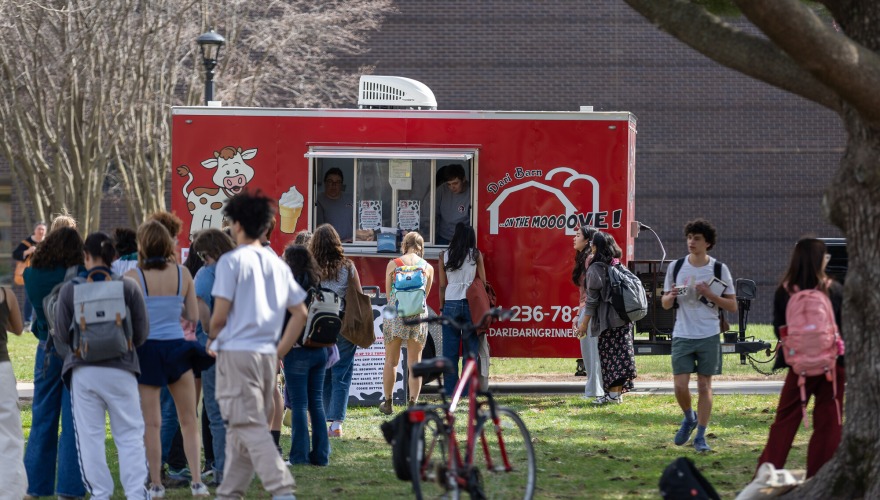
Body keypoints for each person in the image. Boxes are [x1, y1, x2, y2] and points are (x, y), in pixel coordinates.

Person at [207, 191, 307, 500]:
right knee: (241, 433)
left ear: (236, 225)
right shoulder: (277, 263)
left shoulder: (231, 262)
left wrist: (213, 336)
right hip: (266, 357)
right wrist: (279, 351)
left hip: (237, 355)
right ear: (265, 226)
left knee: (247, 426)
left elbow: (218, 317)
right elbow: (300, 313)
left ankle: (281, 489)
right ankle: (229, 493)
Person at [54, 232, 149, 500]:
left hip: (84, 370)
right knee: (130, 435)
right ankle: (136, 493)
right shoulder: (128, 287)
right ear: (113, 257)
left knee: (90, 438)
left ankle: (100, 493)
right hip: (122, 368)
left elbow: (61, 333)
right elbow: (142, 332)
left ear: (86, 256)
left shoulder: (70, 289)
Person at [126, 220, 208, 497]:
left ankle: (155, 483)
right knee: (188, 419)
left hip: (148, 350)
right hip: (177, 349)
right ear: (167, 244)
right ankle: (197, 481)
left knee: (152, 423)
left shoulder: (133, 277)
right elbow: (193, 317)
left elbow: (129, 320)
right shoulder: (183, 273)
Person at [756, 238, 844, 477]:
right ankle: (820, 475)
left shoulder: (784, 290)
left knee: (785, 420)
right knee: (829, 421)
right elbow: (842, 327)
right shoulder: (833, 289)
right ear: (820, 260)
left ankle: (766, 474)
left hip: (798, 367)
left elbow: (779, 329)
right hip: (831, 366)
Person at [21, 226, 86, 499]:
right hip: (76, 351)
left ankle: (34, 486)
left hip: (45, 349)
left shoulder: (32, 275)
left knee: (42, 418)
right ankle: (69, 488)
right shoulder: (80, 274)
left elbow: (37, 316)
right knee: (73, 421)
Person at [661, 219, 736, 453]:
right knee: (679, 385)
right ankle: (689, 417)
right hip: (682, 333)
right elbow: (664, 303)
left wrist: (710, 295)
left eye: (697, 238)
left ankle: (701, 436)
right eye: (689, 237)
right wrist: (671, 296)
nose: (691, 242)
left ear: (708, 243)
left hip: (709, 334)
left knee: (704, 385)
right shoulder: (676, 267)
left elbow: (732, 306)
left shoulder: (719, 269)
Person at [191, 228, 236, 485]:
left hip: (213, 349)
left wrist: (209, 333)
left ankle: (222, 471)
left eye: (202, 255)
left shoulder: (206, 275)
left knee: (216, 414)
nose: (202, 259)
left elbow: (203, 311)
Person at [281, 244, 330, 465]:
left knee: (299, 404)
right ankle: (321, 455)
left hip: (297, 351)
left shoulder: (289, 288)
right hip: (320, 349)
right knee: (316, 403)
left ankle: (299, 456)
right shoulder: (316, 285)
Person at [311, 223, 359, 437]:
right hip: (343, 324)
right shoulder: (348, 266)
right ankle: (336, 424)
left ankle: (321, 421)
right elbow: (358, 294)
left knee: (321, 372)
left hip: (318, 325)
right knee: (342, 373)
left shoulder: (311, 267)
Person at [380, 232, 435, 413]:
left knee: (391, 361)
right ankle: (413, 404)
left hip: (396, 315)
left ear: (404, 245)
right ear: (421, 247)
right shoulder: (427, 267)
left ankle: (388, 403)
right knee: (415, 363)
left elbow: (389, 295)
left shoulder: (393, 264)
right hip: (418, 316)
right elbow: (425, 296)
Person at [581, 231, 637, 406]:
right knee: (621, 358)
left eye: (592, 244)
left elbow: (591, 301)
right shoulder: (618, 265)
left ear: (596, 247)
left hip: (608, 322)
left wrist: (584, 324)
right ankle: (615, 395)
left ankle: (612, 396)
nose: (590, 247)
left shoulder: (595, 269)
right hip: (624, 319)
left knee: (610, 358)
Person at [436, 223, 480, 395]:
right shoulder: (476, 255)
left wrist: (442, 307)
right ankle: (467, 391)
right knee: (470, 351)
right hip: (470, 304)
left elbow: (442, 286)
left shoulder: (444, 256)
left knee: (450, 351)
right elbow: (483, 282)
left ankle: (450, 391)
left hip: (451, 303)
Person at [0, 283, 27, 499]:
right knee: (9, 435)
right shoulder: (5, 294)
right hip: (2, 370)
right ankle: (10, 493)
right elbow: (18, 329)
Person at [572, 225, 604, 399]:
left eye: (578, 235)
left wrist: (584, 318)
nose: (574, 238)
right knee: (589, 353)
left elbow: (592, 293)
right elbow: (582, 293)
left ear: (587, 241)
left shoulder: (589, 260)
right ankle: (595, 390)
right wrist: (578, 315)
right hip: (586, 310)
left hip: (592, 311)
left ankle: (594, 391)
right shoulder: (583, 259)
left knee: (592, 353)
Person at [13, 221, 47, 328]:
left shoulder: (48, 243)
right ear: (34, 230)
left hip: (44, 273)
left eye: (43, 229)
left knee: (45, 297)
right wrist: (27, 251)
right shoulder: (26, 243)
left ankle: (44, 321)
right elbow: (15, 254)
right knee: (29, 297)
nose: (41, 231)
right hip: (30, 273)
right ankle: (28, 323)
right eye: (39, 229)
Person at [435, 164, 471, 244]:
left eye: (455, 183)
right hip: (443, 237)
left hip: (463, 238)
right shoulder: (442, 190)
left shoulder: (472, 192)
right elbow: (434, 214)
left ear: (464, 179)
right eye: (449, 184)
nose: (452, 187)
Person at [315, 168, 354, 242]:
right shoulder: (318, 200)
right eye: (330, 181)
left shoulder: (351, 199)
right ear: (325, 183)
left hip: (351, 244)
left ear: (341, 185)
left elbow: (359, 223)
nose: (334, 185)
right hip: (329, 245)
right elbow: (319, 228)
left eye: (338, 182)